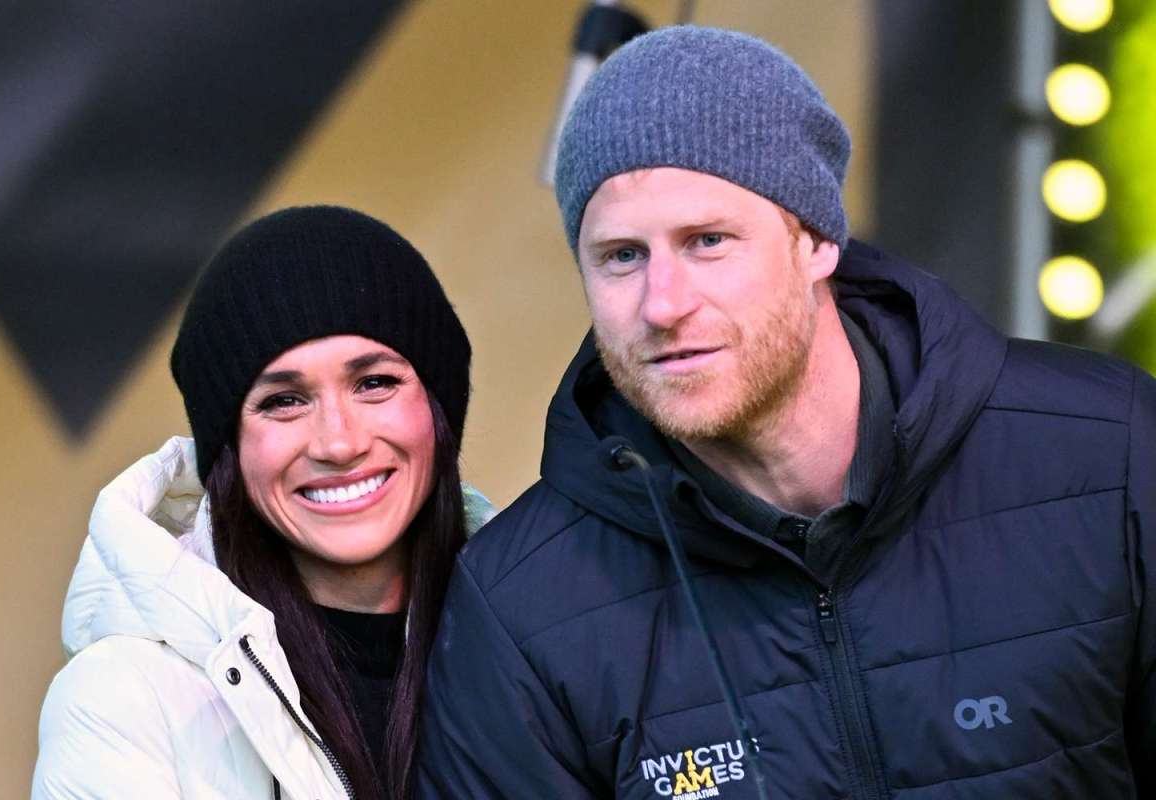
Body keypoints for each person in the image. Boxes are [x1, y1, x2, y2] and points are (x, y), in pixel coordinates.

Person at [417, 25, 1156, 798]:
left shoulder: (1106, 452)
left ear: (817, 243)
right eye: (622, 256)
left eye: (708, 240)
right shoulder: (520, 604)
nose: (663, 304)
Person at [33, 206, 492, 800]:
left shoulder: (546, 630)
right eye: (284, 401)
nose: (339, 443)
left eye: (374, 383)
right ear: (230, 450)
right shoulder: (123, 701)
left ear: (437, 409)